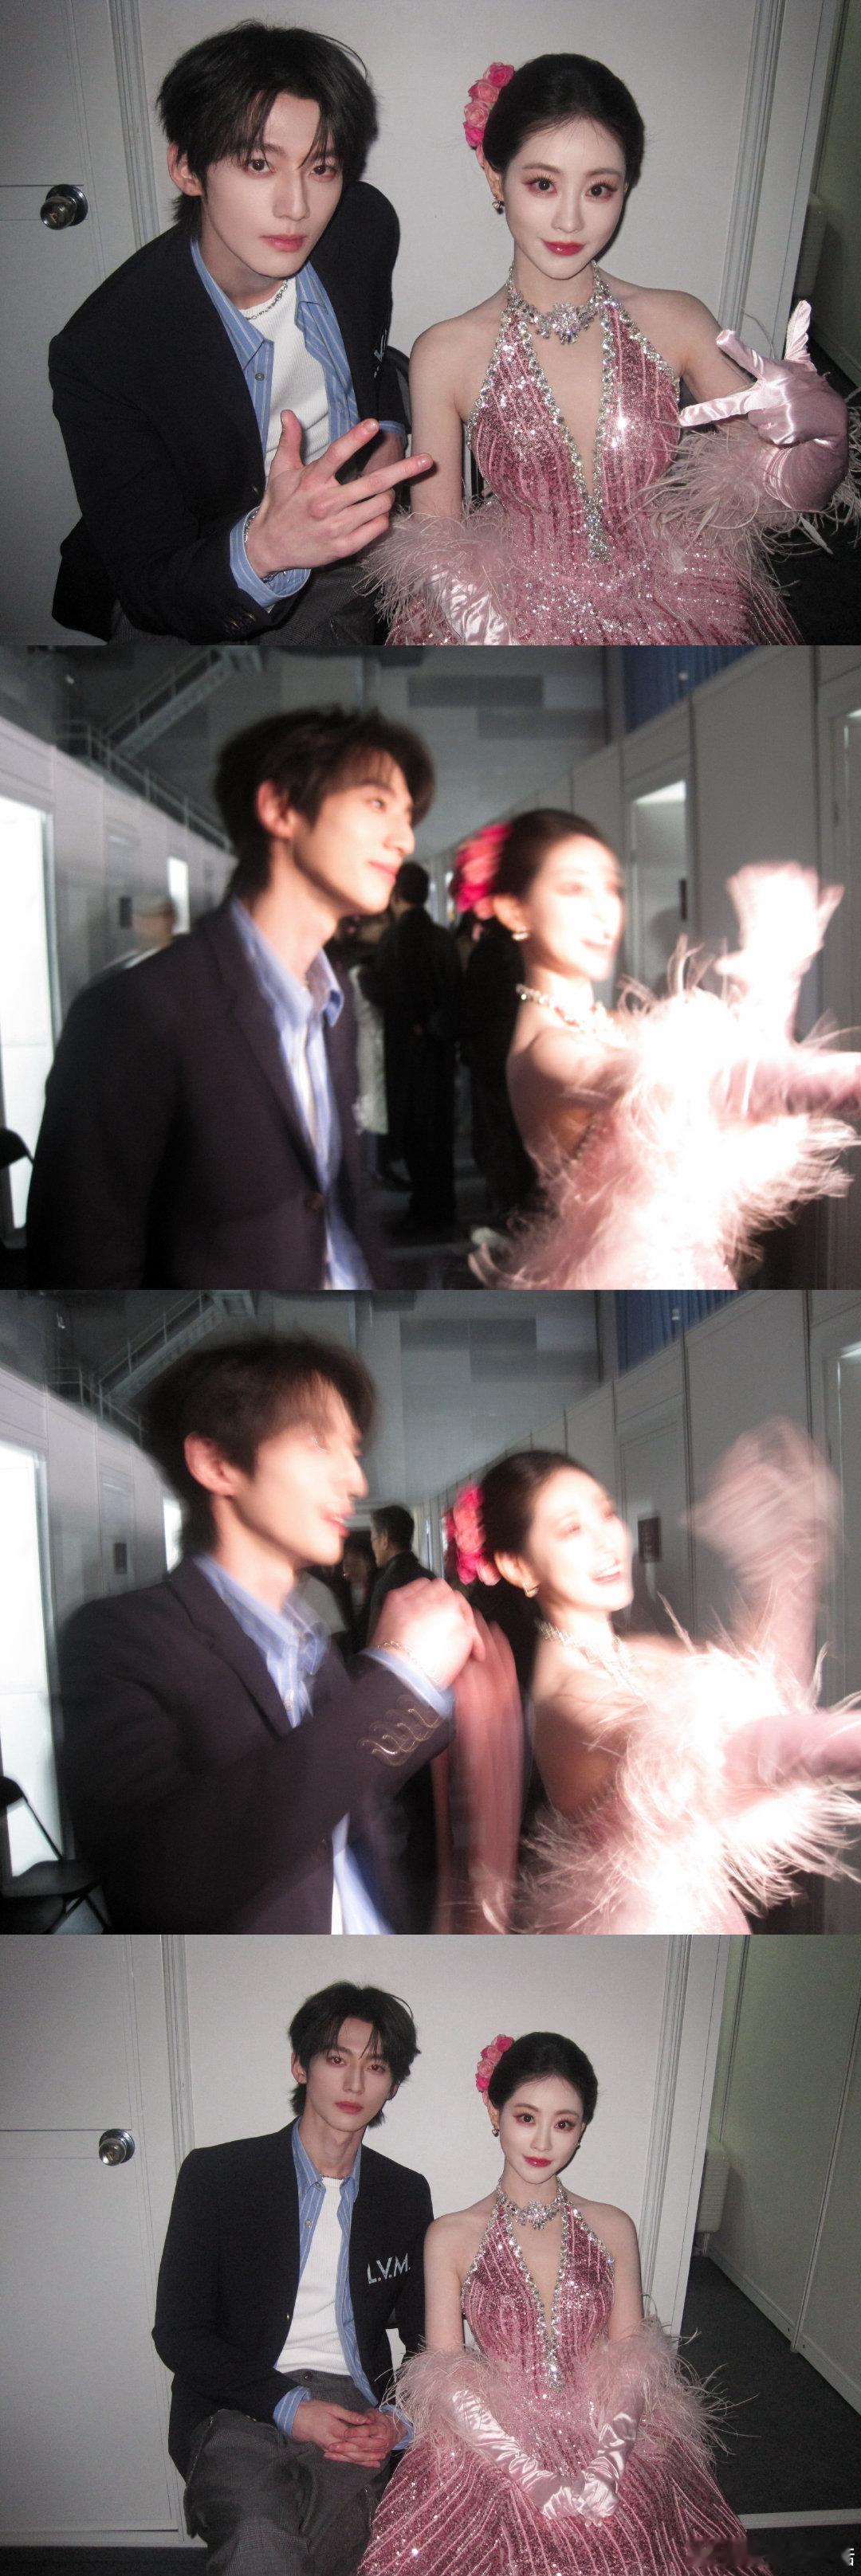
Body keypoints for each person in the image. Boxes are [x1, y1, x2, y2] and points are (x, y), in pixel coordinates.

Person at [372, 53, 855, 647]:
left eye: (599, 189)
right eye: (543, 184)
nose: (570, 220)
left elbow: (776, 499)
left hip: (680, 599)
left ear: (625, 188)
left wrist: (823, 446)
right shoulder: (445, 353)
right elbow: (439, 552)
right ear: (496, 176)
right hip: (508, 622)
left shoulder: (677, 320)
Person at [56, 1333, 483, 1931]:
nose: (356, 1480)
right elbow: (160, 1881)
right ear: (217, 1463)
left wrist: (435, 1686)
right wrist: (397, 1680)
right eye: (318, 1442)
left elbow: (342, 1794)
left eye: (353, 1450)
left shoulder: (310, 1640)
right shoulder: (120, 1639)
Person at [49, 22, 433, 645]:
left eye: (321, 167)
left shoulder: (362, 226)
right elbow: (150, 582)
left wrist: (387, 431)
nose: (296, 206)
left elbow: (371, 351)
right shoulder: (104, 350)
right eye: (258, 164)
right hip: (201, 573)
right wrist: (266, 549)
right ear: (187, 168)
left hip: (343, 546)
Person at [26, 706, 434, 1290]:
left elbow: (338, 1208)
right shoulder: (139, 1010)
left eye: (407, 816)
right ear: (280, 808)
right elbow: (82, 1260)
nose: (405, 838)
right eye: (376, 803)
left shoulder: (334, 1000)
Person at [359, 2031, 769, 2576]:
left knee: (642, 2539)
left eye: (564, 2123)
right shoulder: (451, 2235)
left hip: (608, 2426)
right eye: (526, 2116)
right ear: (495, 2111)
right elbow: (446, 2373)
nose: (542, 2140)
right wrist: (528, 2474)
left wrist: (611, 2460)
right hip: (494, 2441)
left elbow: (634, 2355)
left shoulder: (613, 2226)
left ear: (582, 2130)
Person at [445, 1428, 861, 1935]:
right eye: (572, 1529)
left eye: (607, 1514)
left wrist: (787, 1563)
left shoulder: (636, 1652)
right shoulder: (568, 1700)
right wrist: (843, 1741)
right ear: (519, 1567)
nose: (607, 1541)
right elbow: (733, 1755)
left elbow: (766, 1691)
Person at [451, 815, 861, 1289]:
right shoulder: (550, 1051)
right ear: (515, 911)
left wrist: (771, 982)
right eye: (574, 888)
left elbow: (749, 1091)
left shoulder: (614, 1025)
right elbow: (725, 1086)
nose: (604, 911)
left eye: (612, 888)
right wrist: (775, 972)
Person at [154, 1981, 433, 2576]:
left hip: (354, 2407)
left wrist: (397, 2421)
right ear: (300, 2066)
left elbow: (426, 2342)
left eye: (375, 2066)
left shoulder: (404, 2194)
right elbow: (179, 2332)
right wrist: (288, 2405)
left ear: (392, 2084)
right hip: (237, 2399)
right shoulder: (218, 2177)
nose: (354, 2084)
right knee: (260, 2534)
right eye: (336, 2059)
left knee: (350, 2540)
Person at [367, 863, 462, 1234]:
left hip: (407, 1051)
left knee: (416, 1134)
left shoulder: (393, 940)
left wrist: (364, 979)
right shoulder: (442, 938)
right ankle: (444, 1206)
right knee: (440, 1132)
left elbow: (387, 993)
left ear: (396, 896)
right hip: (440, 1048)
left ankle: (425, 1210)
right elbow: (456, 991)